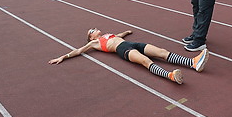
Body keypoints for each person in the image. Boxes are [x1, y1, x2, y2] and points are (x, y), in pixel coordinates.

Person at [48, 28, 209, 84]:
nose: (96, 29)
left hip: (133, 43)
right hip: (123, 50)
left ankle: (192, 62)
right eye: (92, 31)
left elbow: (119, 35)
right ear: (91, 37)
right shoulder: (94, 44)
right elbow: (79, 50)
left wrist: (127, 32)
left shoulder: (108, 35)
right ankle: (170, 76)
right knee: (146, 61)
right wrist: (63, 57)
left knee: (161, 52)